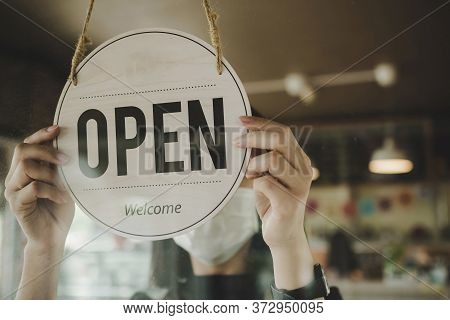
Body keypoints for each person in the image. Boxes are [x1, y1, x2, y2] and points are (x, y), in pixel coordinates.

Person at [3, 116, 340, 299]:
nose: (209, 189)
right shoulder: (144, 305)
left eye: (232, 173)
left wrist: (288, 243)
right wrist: (43, 249)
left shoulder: (306, 290)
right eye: (185, 171)